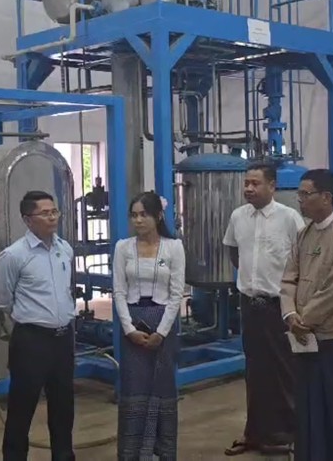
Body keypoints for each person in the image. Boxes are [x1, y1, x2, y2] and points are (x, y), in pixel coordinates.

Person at [280, 168, 333, 461]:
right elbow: (289, 277)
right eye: (299, 194)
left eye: (305, 194)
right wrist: (290, 314)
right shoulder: (304, 234)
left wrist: (306, 319)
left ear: (326, 197)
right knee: (308, 406)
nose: (300, 200)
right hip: (304, 336)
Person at [222, 162, 305, 457]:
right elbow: (233, 250)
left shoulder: (289, 218)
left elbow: (303, 259)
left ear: (272, 186)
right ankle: (255, 434)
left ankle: (289, 434)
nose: (249, 188)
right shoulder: (238, 216)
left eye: (255, 183)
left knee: (284, 370)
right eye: (246, 183)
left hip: (278, 305)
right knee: (255, 370)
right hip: (250, 304)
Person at [0, 191, 77, 461]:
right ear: (28, 220)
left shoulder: (65, 249)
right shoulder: (14, 255)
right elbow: (2, 299)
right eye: (45, 213)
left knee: (63, 407)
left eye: (54, 212)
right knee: (22, 407)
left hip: (63, 339)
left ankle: (63, 455)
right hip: (31, 341)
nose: (52, 218)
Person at [112, 191, 186, 461]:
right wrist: (129, 329)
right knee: (134, 389)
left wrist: (162, 332)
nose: (138, 220)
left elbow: (176, 294)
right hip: (133, 325)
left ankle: (162, 452)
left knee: (162, 388)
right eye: (134, 215)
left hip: (162, 325)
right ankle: (132, 453)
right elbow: (118, 291)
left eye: (144, 214)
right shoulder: (123, 248)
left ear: (158, 216)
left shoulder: (173, 247)